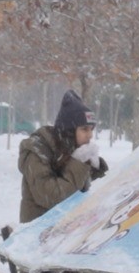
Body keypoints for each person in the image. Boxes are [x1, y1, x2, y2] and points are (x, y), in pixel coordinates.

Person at [20, 90, 108, 223]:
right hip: (39, 234)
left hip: (68, 232)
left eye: (91, 129)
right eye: (84, 129)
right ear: (70, 131)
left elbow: (91, 196)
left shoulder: (72, 151)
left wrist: (95, 170)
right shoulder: (38, 151)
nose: (90, 135)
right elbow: (53, 197)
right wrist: (79, 164)